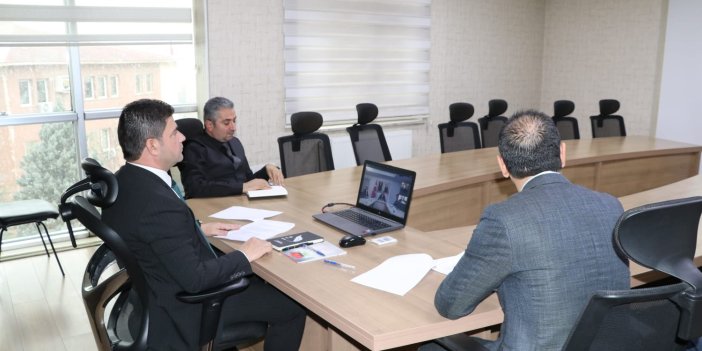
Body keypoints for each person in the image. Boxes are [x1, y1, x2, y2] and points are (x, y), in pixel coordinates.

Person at [102, 99, 305, 350]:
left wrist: (198, 228)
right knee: (292, 306)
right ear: (152, 145)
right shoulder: (158, 205)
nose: (183, 137)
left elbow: (156, 236)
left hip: (155, 293)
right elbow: (196, 280)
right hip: (186, 309)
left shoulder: (126, 181)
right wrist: (244, 253)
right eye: (174, 132)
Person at [423, 110, 630, 351]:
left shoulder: (503, 220)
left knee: (431, 348)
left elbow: (450, 305)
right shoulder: (610, 204)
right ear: (563, 153)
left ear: (502, 165)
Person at [180, 96, 284, 198]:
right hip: (214, 207)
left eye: (234, 121)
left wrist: (266, 170)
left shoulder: (235, 142)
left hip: (240, 203)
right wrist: (242, 187)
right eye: (226, 123)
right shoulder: (195, 148)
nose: (233, 127)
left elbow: (248, 180)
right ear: (210, 125)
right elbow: (195, 187)